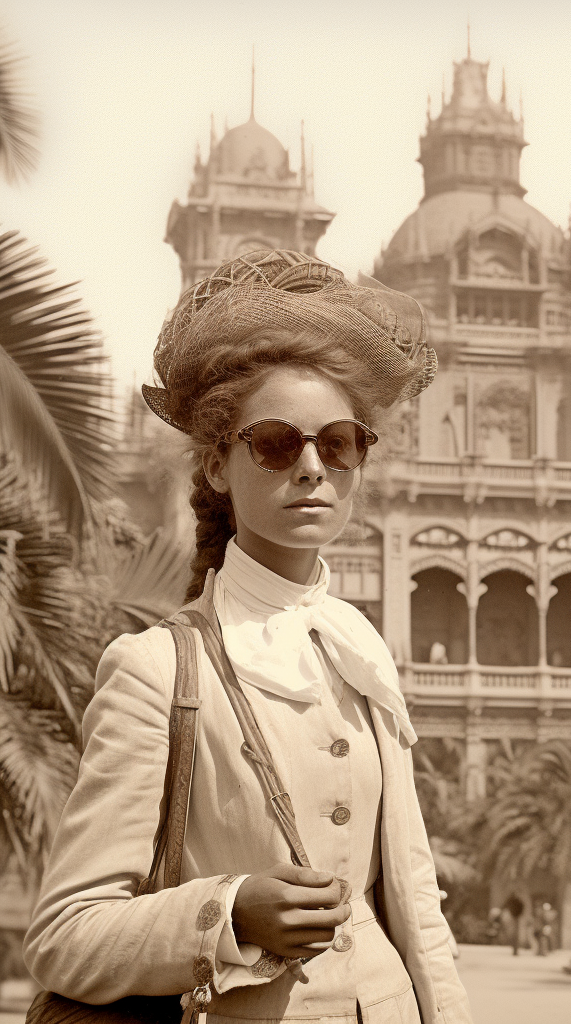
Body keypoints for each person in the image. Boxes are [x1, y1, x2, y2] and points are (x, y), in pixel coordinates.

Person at [23, 251, 473, 1024]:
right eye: (274, 442)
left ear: (361, 459)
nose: (311, 467)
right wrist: (226, 913)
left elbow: (415, 905)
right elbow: (66, 935)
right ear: (219, 466)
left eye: (338, 442)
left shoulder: (360, 649)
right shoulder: (156, 669)